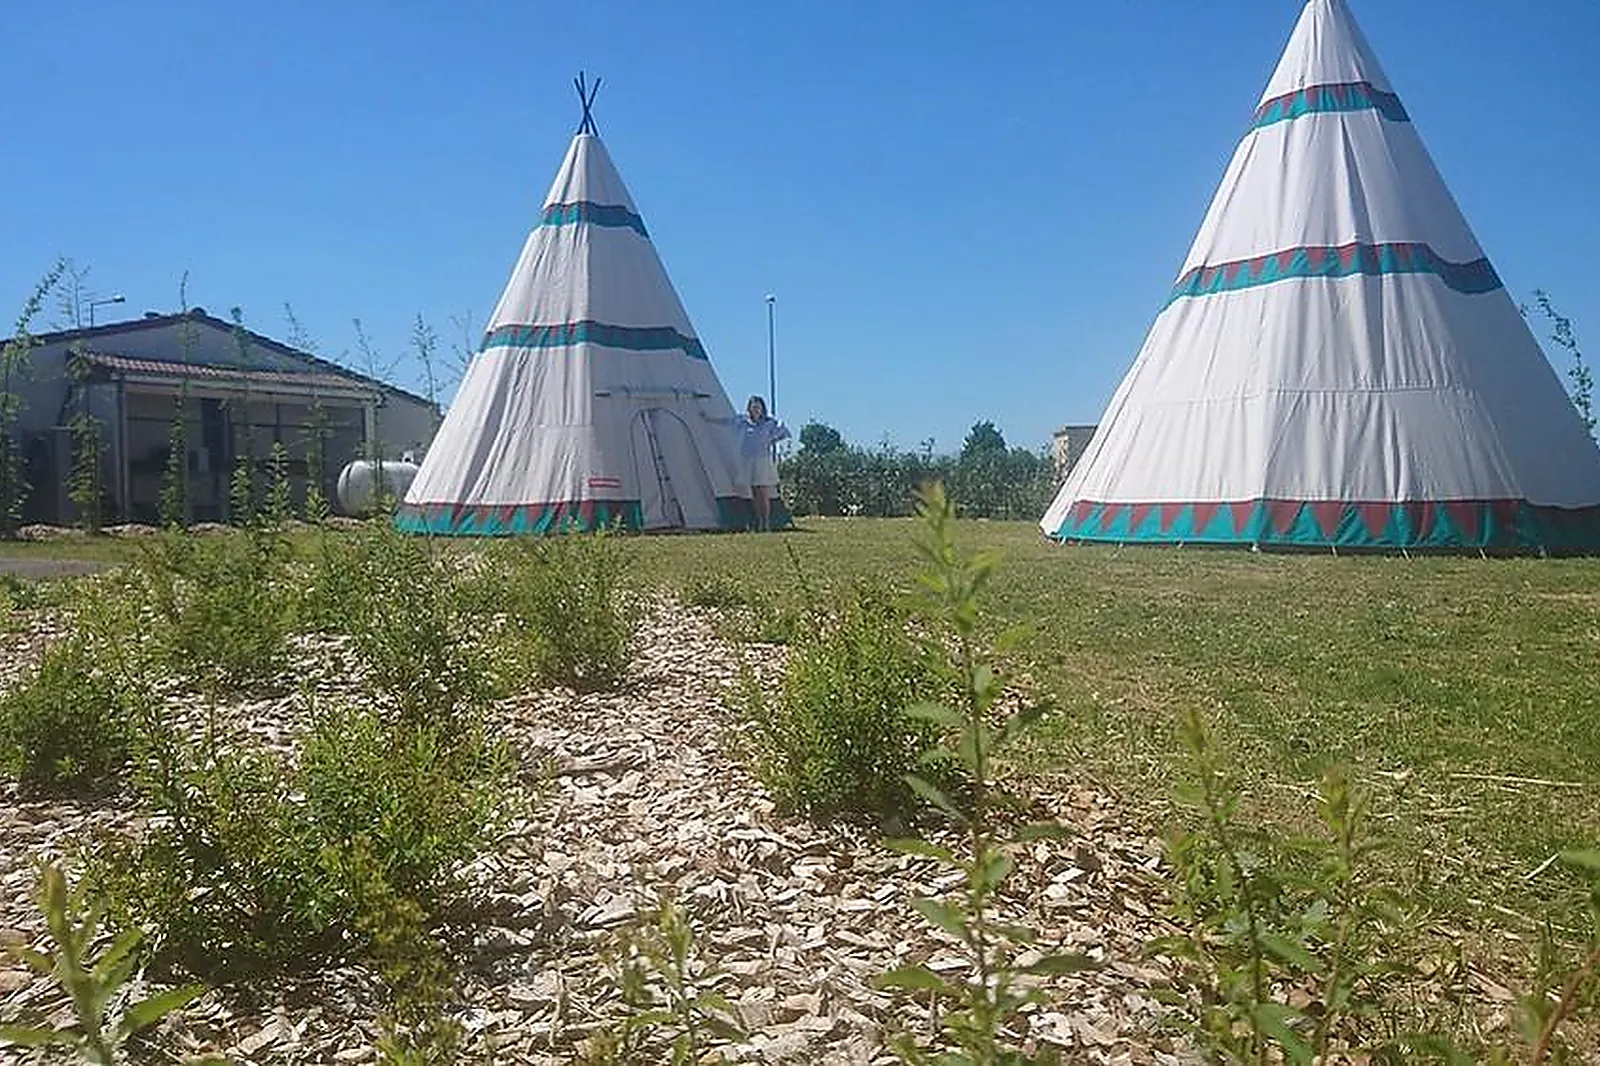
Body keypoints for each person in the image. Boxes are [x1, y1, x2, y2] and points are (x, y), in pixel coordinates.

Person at [738, 395, 789, 531]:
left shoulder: (769, 422)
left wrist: (772, 439)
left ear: (762, 409)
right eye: (753, 407)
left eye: (758, 407)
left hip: (762, 460)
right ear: (749, 408)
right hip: (749, 459)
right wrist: (707, 418)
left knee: (763, 492)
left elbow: (784, 431)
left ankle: (766, 522)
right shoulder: (744, 422)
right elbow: (726, 422)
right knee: (754, 492)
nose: (755, 410)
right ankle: (759, 521)